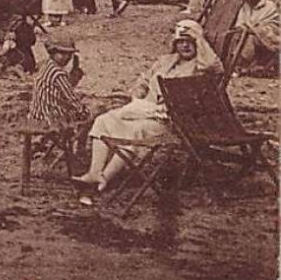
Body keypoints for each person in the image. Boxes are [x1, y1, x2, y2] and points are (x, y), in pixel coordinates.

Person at [72, 19, 221, 198]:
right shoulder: (165, 61)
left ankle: (105, 178)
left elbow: (216, 67)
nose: (185, 47)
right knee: (104, 119)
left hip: (170, 119)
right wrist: (138, 92)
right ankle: (94, 172)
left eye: (190, 43)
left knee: (135, 130)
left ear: (198, 44)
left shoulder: (201, 67)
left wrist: (199, 38)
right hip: (144, 108)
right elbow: (144, 80)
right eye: (181, 42)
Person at [27, 35, 90, 150]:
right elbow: (72, 98)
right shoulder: (57, 73)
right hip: (50, 117)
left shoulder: (46, 65)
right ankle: (78, 151)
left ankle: (47, 142)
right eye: (62, 54)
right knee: (89, 118)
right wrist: (84, 111)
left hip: (36, 114)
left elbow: (62, 91)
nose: (66, 57)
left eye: (69, 55)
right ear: (52, 52)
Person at [227, 0, 280, 76]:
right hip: (249, 36)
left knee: (251, 37)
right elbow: (241, 23)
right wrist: (242, 28)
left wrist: (252, 29)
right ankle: (239, 64)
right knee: (237, 36)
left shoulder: (269, 6)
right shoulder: (244, 7)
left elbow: (271, 26)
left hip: (268, 38)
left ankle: (247, 65)